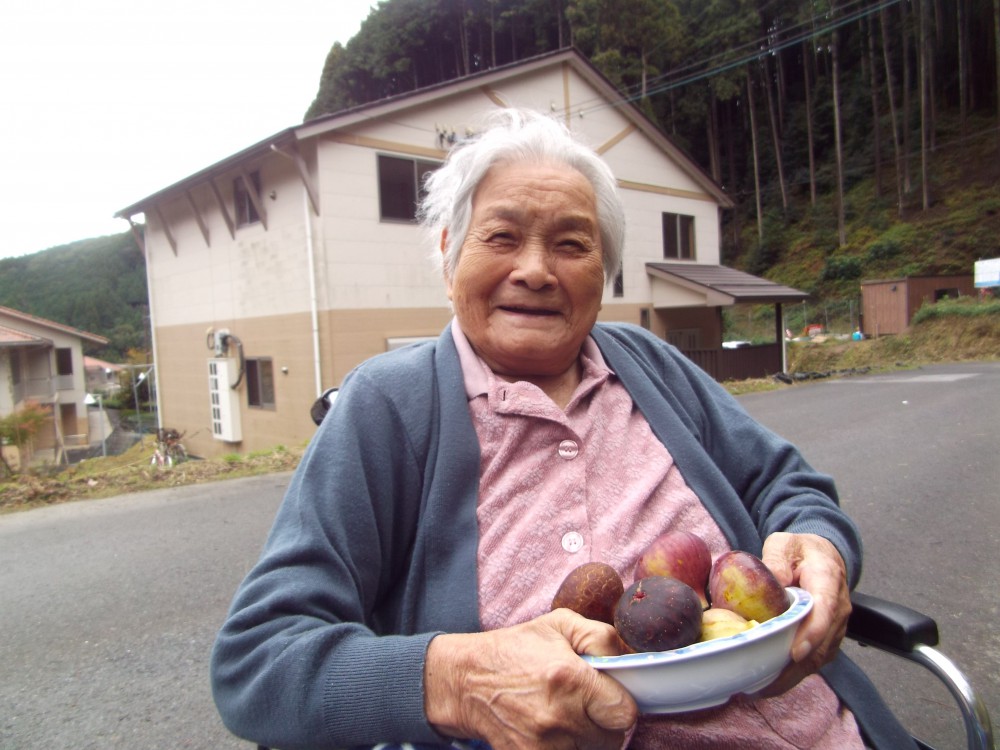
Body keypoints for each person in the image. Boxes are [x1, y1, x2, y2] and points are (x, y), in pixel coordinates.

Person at [211, 109, 916, 750]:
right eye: (503, 236)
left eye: (572, 244)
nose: (536, 271)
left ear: (603, 272)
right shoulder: (389, 405)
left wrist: (820, 547)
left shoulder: (650, 364)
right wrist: (461, 681)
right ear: (451, 249)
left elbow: (786, 485)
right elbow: (259, 657)